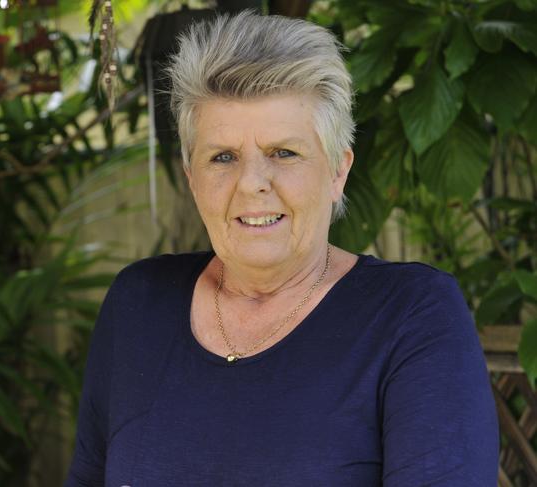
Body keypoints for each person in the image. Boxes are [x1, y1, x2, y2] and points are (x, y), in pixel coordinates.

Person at [65, 11, 499, 486]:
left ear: (337, 171)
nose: (252, 183)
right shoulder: (138, 303)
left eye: (283, 153)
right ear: (192, 178)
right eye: (222, 157)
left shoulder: (413, 314)